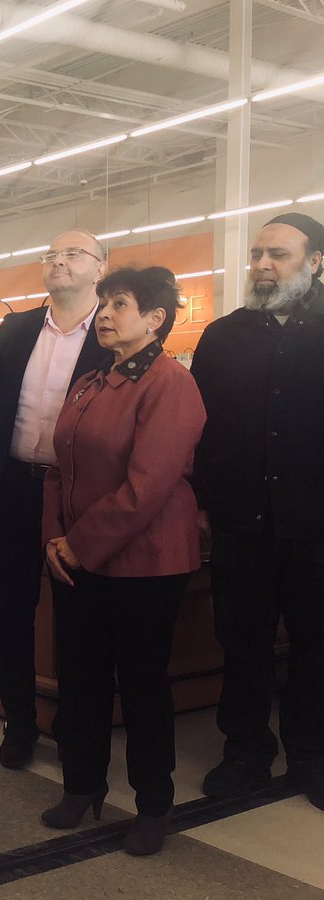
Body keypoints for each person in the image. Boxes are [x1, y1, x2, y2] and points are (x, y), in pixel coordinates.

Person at [40, 266, 205, 856]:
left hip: (145, 563)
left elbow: (148, 487)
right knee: (80, 680)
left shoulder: (170, 384)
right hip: (78, 559)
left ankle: (153, 804)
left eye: (120, 305)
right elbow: (59, 466)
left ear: (156, 319)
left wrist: (77, 544)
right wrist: (55, 538)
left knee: (141, 687)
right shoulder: (92, 381)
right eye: (103, 303)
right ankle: (82, 786)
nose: (104, 315)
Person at [192, 213, 324, 812]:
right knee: (241, 643)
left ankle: (312, 754)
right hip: (241, 522)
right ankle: (245, 752)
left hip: (315, 524)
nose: (263, 265)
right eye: (256, 254)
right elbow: (200, 430)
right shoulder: (223, 337)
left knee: (315, 644)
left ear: (315, 262)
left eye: (279, 255)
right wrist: (201, 502)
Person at [0, 230, 106, 768]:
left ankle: (75, 725)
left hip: (76, 495)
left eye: (73, 254)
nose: (59, 261)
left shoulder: (111, 332)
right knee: (10, 610)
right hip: (10, 489)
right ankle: (19, 721)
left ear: (101, 267)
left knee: (78, 616)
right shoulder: (17, 327)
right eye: (51, 254)